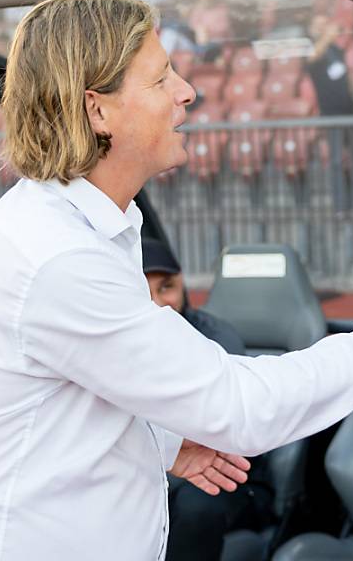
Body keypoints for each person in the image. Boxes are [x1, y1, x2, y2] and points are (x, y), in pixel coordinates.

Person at [0, 0, 353, 560]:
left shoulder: (77, 227)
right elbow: (241, 407)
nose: (187, 92)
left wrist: (160, 438)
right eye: (160, 79)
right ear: (96, 110)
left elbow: (63, 396)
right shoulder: (59, 258)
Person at [140, 237, 274, 561]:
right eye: (144, 290)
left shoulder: (217, 339)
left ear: (183, 284)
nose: (159, 303)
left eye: (167, 287)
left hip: (228, 474)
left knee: (196, 506)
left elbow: (223, 428)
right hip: (155, 468)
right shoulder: (119, 342)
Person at [306, 14, 353, 211]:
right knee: (337, 161)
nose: (324, 27)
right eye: (319, 25)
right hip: (332, 114)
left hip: (351, 111)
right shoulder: (313, 49)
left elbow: (345, 76)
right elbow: (313, 57)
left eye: (325, 24)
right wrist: (327, 36)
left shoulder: (336, 50)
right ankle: (340, 205)